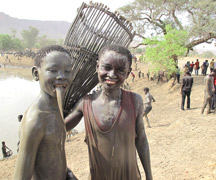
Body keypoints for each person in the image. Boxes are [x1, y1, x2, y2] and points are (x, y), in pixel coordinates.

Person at [65, 44, 153, 180]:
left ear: (128, 73)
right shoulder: (86, 103)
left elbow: (141, 140)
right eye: (107, 67)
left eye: (120, 70)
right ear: (97, 67)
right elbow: (56, 132)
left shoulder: (135, 101)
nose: (112, 75)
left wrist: (149, 176)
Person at [14, 45, 77, 180]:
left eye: (67, 71)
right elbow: (21, 176)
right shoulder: (36, 119)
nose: (61, 76)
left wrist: (67, 174)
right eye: (53, 70)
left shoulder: (56, 109)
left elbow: (51, 156)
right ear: (36, 74)